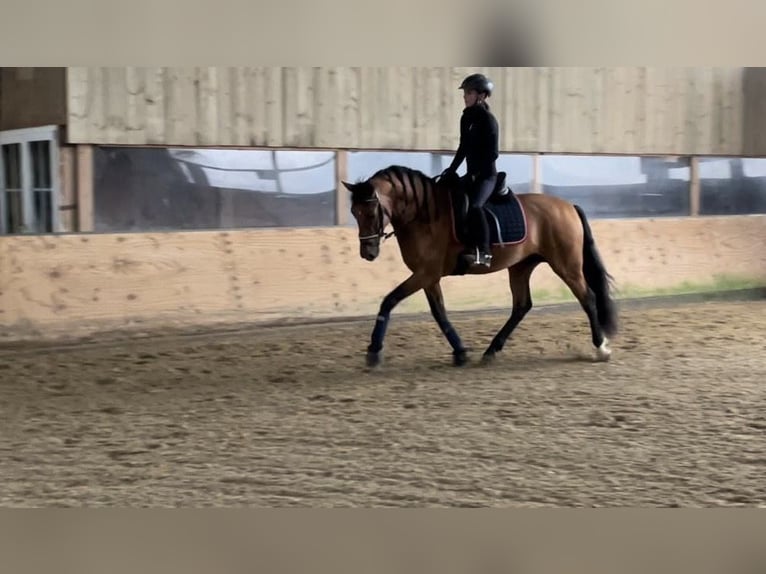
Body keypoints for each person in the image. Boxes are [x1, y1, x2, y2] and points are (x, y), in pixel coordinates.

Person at [441, 73, 499, 268]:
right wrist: (450, 170)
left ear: (481, 96)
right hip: (472, 175)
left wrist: (476, 174)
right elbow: (463, 148)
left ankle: (484, 252)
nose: (464, 96)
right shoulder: (466, 118)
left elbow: (493, 154)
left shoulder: (488, 120)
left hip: (487, 177)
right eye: (465, 93)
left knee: (475, 206)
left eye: (469, 93)